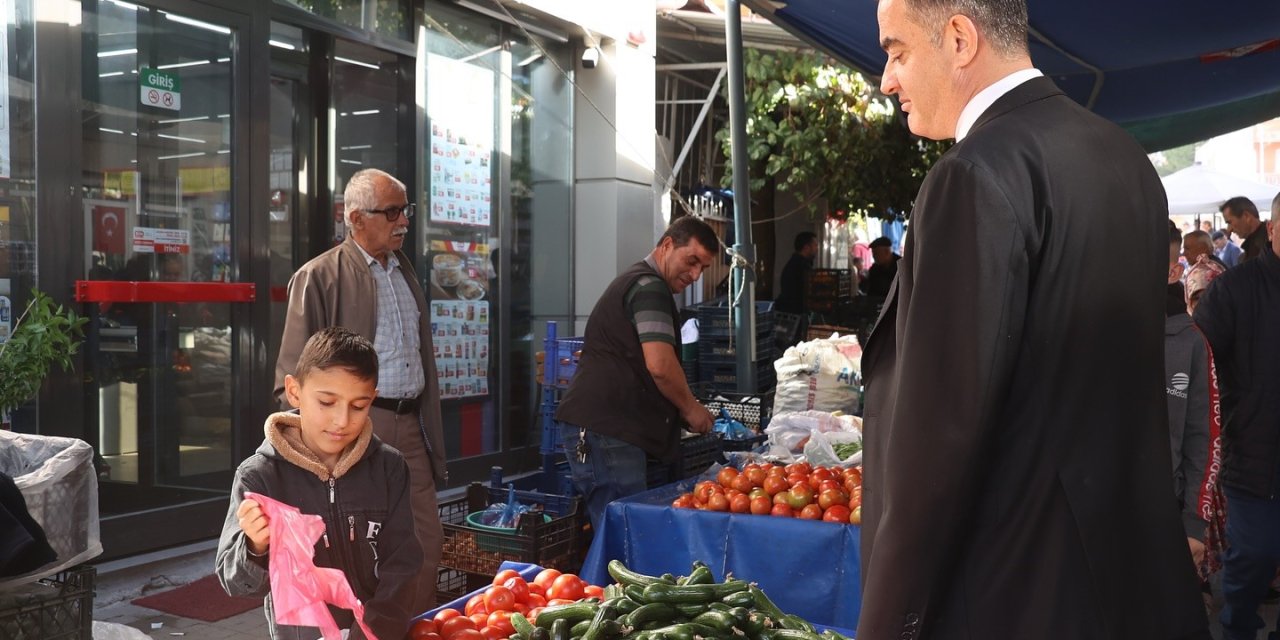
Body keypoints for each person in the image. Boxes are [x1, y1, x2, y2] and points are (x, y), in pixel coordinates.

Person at [858, 0, 1210, 638]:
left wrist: (887, 623)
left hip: (1011, 592)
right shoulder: (1126, 159)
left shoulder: (972, 174)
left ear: (959, 39)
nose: (887, 80)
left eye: (897, 52)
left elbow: (938, 442)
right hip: (1127, 583)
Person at [274, 168, 445, 612]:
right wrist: (312, 450)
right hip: (353, 429)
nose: (403, 221)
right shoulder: (318, 276)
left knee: (425, 543)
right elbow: (290, 378)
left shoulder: (403, 272)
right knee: (360, 551)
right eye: (391, 212)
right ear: (355, 218)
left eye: (405, 210)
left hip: (412, 425)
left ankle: (414, 628)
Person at [217, 328, 422, 640]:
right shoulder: (259, 476)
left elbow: (403, 565)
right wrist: (255, 547)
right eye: (327, 402)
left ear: (372, 399)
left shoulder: (388, 467)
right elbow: (234, 583)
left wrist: (371, 632)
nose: (342, 420)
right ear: (294, 391)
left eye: (358, 406)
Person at [555, 216, 717, 528]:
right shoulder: (649, 287)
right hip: (608, 429)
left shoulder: (641, 283)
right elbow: (660, 366)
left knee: (621, 531)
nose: (696, 275)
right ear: (667, 245)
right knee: (625, 534)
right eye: (692, 261)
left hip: (608, 428)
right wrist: (690, 408)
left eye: (704, 268)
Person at [1194, 212, 1280, 640]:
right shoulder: (1234, 288)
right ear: (1274, 229)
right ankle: (1238, 629)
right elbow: (1200, 364)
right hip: (1253, 456)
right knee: (1253, 558)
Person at [1164, 225, 1212, 569]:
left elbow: (1205, 436)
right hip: (1096, 515)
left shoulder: (1191, 342)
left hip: (1166, 512)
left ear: (1173, 272)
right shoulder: (1092, 329)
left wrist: (1195, 522)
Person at [775, 231, 818, 314]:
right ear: (806, 247)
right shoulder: (801, 266)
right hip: (796, 314)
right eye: (815, 245)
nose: (817, 249)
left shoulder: (795, 263)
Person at [1220, 196, 1269, 263]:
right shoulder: (1257, 245)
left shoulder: (1270, 243)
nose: (1229, 229)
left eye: (1230, 222)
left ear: (1246, 216)